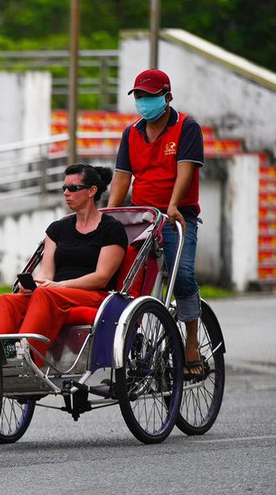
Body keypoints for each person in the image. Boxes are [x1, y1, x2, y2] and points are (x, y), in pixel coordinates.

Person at [107, 69, 205, 377]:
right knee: (122, 278)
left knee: (183, 276)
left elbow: (185, 169)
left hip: (177, 214)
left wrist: (173, 204)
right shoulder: (131, 132)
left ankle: (191, 343)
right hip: (141, 216)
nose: (143, 102)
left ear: (167, 97)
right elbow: (122, 177)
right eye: (139, 96)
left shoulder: (187, 127)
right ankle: (132, 339)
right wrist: (110, 214)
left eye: (149, 96)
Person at [0, 164, 128, 366]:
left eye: (73, 188)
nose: (66, 193)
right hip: (54, 294)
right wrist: (34, 284)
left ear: (92, 191)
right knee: (7, 300)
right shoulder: (57, 229)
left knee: (46, 294)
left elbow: (102, 277)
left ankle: (28, 360)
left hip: (93, 295)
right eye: (64, 188)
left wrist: (59, 286)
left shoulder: (111, 229)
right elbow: (47, 273)